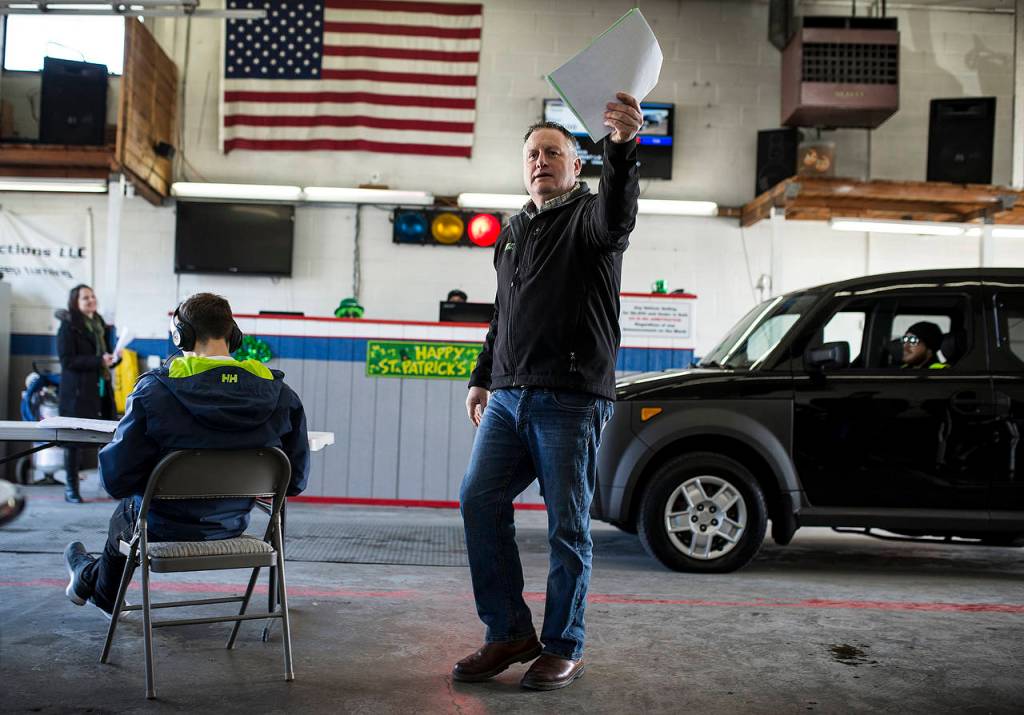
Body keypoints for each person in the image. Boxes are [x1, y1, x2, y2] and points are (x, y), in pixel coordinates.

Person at [454, 92, 642, 691]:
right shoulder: (510, 233)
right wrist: (484, 375)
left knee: (566, 526)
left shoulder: (589, 219)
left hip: (570, 398)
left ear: (575, 165)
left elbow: (618, 212)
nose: (541, 162)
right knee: (479, 501)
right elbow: (501, 316)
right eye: (533, 154)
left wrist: (622, 147)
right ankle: (508, 631)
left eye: (553, 153)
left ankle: (565, 644)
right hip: (508, 398)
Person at [62, 292, 310, 618]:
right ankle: (89, 581)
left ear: (181, 336)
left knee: (128, 510)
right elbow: (295, 481)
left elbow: (115, 479)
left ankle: (92, 582)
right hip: (232, 523)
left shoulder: (154, 390)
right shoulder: (281, 394)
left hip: (161, 526)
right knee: (131, 509)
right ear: (233, 335)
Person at [56, 285, 118, 503]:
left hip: (101, 387)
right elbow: (67, 361)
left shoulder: (99, 323)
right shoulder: (68, 326)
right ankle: (71, 488)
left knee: (108, 437)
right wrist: (98, 361)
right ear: (75, 302)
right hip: (78, 391)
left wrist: (112, 359)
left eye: (92, 296)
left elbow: (105, 353)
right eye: (85, 298)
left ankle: (110, 485)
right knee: (72, 441)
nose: (91, 300)